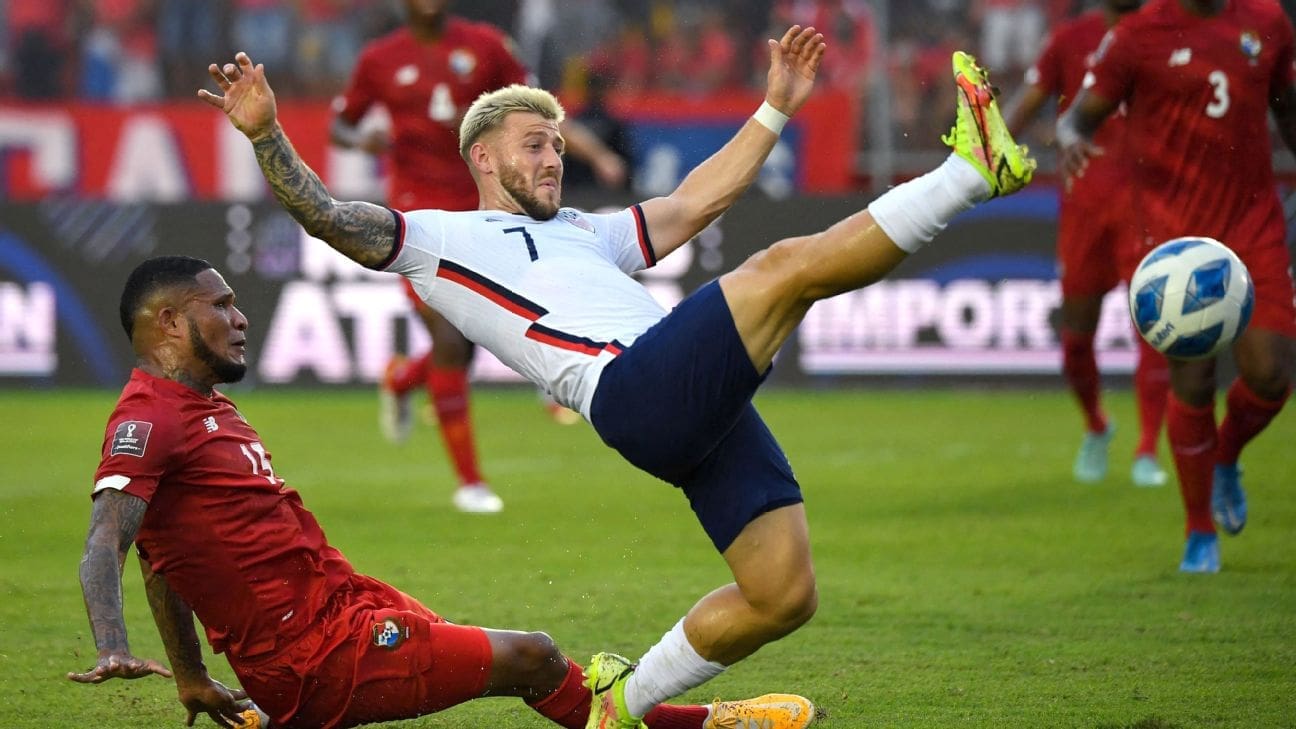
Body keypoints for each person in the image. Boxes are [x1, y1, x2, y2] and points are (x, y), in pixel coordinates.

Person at [199, 29, 1035, 728]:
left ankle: (620, 704)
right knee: (784, 266)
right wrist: (267, 133)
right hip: (634, 390)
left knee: (782, 593)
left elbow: (697, 200)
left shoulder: (580, 229)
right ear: (482, 155)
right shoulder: (439, 237)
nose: (555, 157)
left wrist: (777, 103)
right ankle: (969, 172)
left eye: (560, 144)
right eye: (536, 144)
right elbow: (328, 216)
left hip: (683, 403)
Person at [67, 255, 817, 729]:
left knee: (501, 657)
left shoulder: (203, 408)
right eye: (219, 304)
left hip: (345, 604)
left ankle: (273, 715)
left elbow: (161, 556)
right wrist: (113, 646)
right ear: (166, 320)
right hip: (314, 654)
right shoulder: (148, 419)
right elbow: (109, 543)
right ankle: (699, 721)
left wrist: (196, 677)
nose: (240, 316)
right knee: (532, 655)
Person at [332, 0, 626, 514]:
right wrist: (364, 139)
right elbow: (342, 126)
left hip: (485, 211)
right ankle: (470, 482)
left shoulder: (485, 46)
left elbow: (536, 110)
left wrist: (593, 153)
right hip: (415, 219)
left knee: (475, 336)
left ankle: (403, 380)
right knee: (450, 339)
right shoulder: (379, 59)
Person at [1058, 0, 1296, 573]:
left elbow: (1288, 112)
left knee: (1272, 374)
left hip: (1253, 226)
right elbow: (1077, 117)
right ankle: (1198, 532)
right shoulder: (1138, 35)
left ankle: (1226, 457)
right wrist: (1069, 138)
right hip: (1174, 244)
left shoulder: (1267, 21)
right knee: (1192, 382)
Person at [1003, 0, 1170, 488]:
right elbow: (1028, 101)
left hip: (1147, 205)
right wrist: (982, 152)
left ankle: (1146, 451)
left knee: (1153, 330)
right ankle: (1097, 425)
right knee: (1076, 338)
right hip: (1084, 208)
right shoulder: (1070, 38)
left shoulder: (1167, 34)